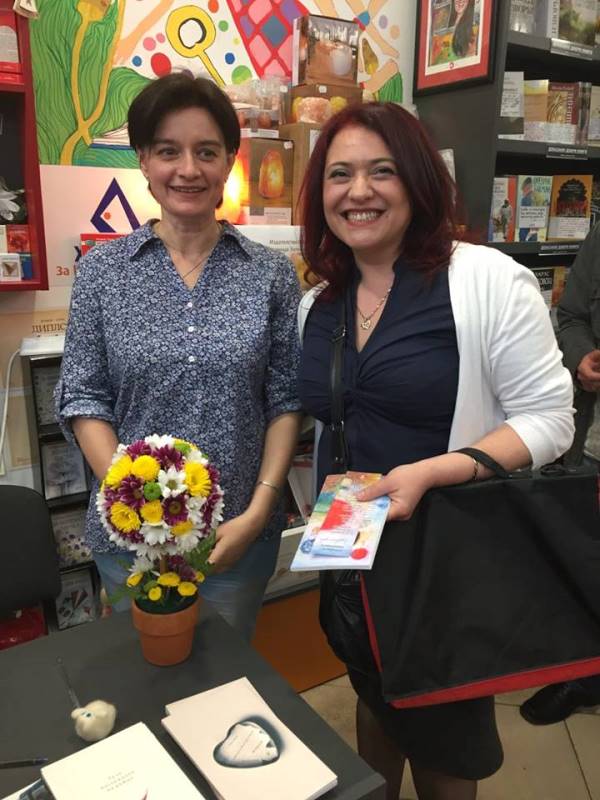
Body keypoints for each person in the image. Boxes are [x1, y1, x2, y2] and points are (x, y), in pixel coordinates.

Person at [297, 102, 574, 800]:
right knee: (374, 692)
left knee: (446, 738)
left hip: (443, 561)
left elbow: (550, 419)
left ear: (418, 180)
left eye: (381, 171)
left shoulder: (486, 280)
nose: (358, 191)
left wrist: (433, 472)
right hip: (350, 554)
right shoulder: (320, 303)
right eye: (339, 174)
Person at [56, 73, 302, 642]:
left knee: (225, 672)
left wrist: (259, 511)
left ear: (229, 162)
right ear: (144, 160)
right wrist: (137, 502)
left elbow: (286, 400)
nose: (188, 169)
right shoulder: (102, 272)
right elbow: (84, 397)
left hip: (236, 538)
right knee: (143, 673)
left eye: (206, 152)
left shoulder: (269, 274)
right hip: (129, 540)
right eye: (169, 151)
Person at [520, 221, 600, 725]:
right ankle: (586, 676)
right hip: (594, 445)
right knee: (587, 560)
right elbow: (570, 315)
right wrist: (582, 356)